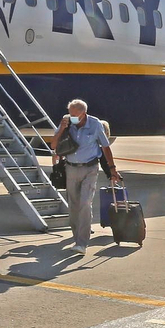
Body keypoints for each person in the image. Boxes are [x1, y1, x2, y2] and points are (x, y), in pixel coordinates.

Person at [53, 99, 120, 254]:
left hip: (90, 168)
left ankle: (82, 243)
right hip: (71, 169)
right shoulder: (66, 122)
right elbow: (54, 145)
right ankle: (77, 238)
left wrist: (112, 169)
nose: (72, 117)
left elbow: (105, 147)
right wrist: (62, 129)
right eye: (71, 114)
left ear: (84, 113)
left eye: (75, 115)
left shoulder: (95, 124)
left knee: (85, 203)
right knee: (74, 206)